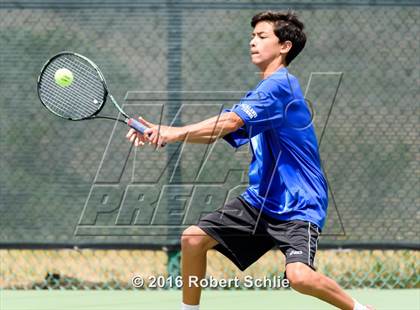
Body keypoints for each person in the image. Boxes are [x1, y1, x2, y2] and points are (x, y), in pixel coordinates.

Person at [126, 10, 373, 310]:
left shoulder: (279, 86)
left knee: (298, 277)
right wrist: (163, 133)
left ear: (284, 46)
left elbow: (228, 123)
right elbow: (216, 132)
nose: (253, 42)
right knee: (193, 239)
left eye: (262, 36)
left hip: (299, 203)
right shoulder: (261, 92)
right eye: (252, 36)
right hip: (260, 202)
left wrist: (172, 132)